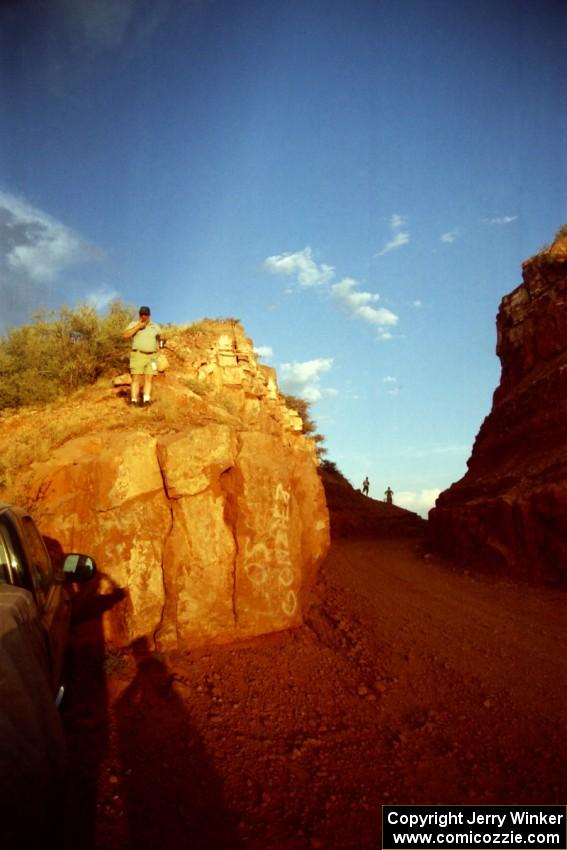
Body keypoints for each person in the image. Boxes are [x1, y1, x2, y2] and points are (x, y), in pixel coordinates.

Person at [123, 306, 162, 406]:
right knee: (135, 377)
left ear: (149, 315)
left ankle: (146, 399)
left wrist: (160, 345)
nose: (144, 316)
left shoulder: (155, 326)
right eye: (142, 314)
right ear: (139, 315)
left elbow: (160, 337)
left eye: (146, 314)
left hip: (152, 356)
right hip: (138, 354)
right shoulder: (134, 324)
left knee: (149, 378)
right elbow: (125, 335)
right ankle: (134, 401)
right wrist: (138, 327)